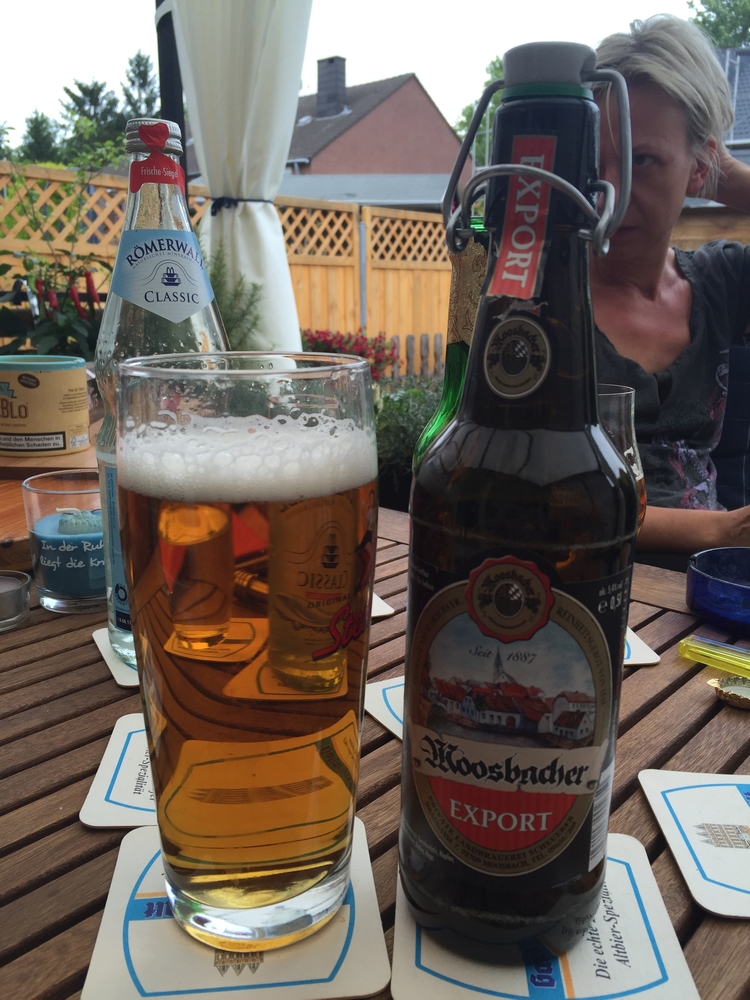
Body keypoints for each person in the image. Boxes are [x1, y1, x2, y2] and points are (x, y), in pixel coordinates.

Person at [591, 14, 750, 560]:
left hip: (713, 590)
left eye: (642, 160)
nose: (608, 193)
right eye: (591, 163)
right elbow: (540, 500)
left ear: (700, 168)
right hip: (586, 585)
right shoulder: (541, 305)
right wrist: (725, 532)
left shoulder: (722, 282)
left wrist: (722, 173)